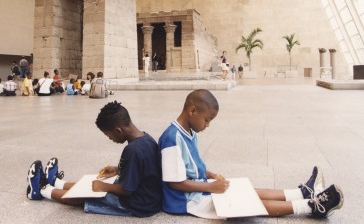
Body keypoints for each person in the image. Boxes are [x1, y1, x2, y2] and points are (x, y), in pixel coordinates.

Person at [158, 89, 344, 219]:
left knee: (243, 190)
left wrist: (211, 176)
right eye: (207, 120)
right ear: (192, 111)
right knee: (246, 203)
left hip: (200, 188)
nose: (207, 125)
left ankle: (301, 193)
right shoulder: (171, 138)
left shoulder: (188, 131)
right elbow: (174, 182)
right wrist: (210, 188)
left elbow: (191, 166)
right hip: (186, 201)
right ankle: (311, 207)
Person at [26, 101, 162, 218]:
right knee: (92, 184)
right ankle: (56, 182)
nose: (110, 139)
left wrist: (104, 186)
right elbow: (142, 169)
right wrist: (117, 169)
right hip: (148, 197)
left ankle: (41, 190)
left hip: (138, 204)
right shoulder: (146, 139)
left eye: (109, 135)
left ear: (118, 130)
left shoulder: (133, 150)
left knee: (85, 195)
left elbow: (127, 190)